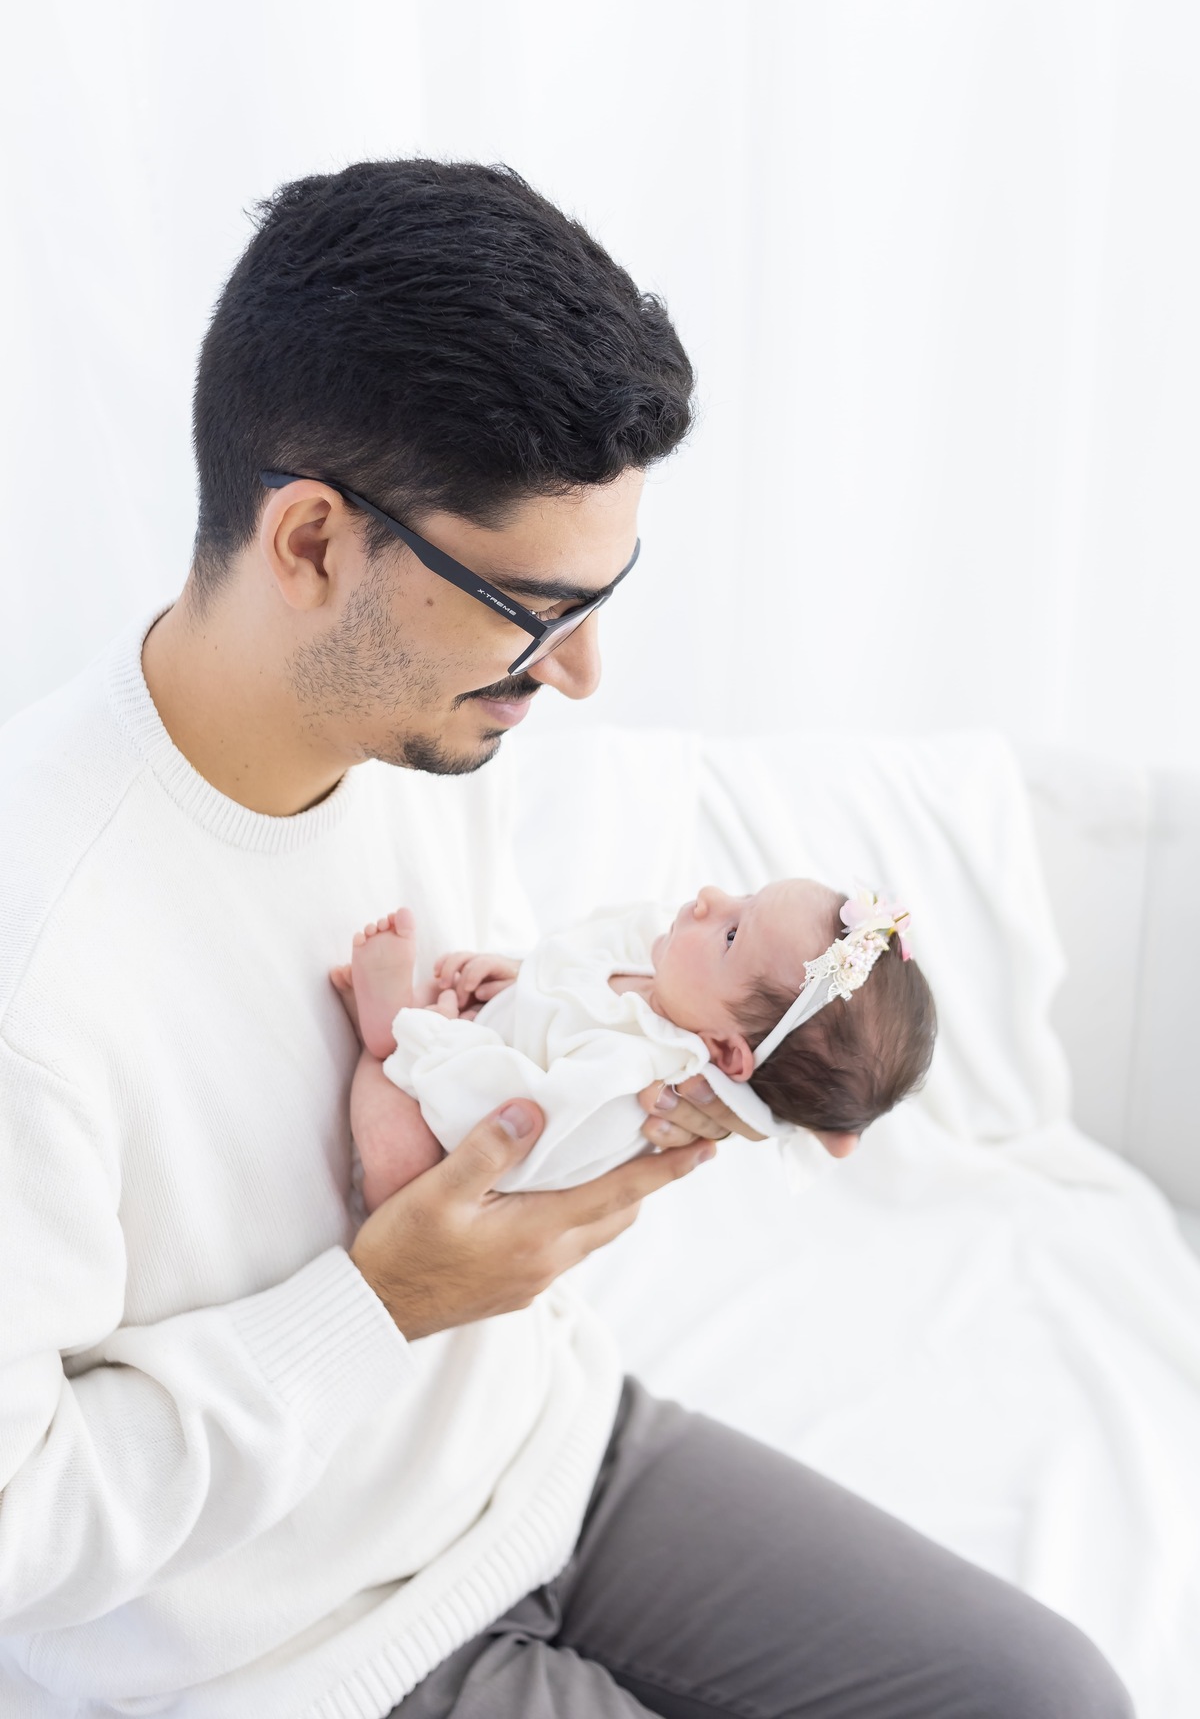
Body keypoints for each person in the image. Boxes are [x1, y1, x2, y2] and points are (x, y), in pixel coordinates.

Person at [0, 159, 1132, 1718]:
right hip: (286, 1648)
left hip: (545, 1458)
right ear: (316, 543)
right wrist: (384, 1301)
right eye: (534, 608)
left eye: (606, 595)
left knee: (1050, 1696)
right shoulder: (40, 958)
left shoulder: (427, 744)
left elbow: (520, 1048)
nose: (584, 674)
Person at [333, 882, 937, 1206]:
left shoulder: (632, 1073)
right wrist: (515, 972)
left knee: (399, 1156)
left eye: (731, 932)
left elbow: (509, 1127)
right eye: (745, 895)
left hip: (455, 1146)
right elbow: (566, 968)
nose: (709, 895)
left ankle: (385, 1036)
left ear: (725, 1050)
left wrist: (436, 1035)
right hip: (480, 1044)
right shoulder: (660, 970)